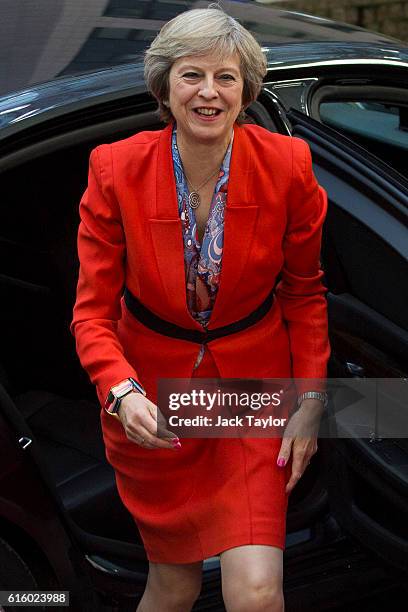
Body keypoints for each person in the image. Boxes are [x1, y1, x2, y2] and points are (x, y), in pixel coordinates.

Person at [71, 6, 330, 612]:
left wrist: (313, 400)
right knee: (174, 584)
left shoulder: (288, 167)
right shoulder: (115, 169)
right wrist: (122, 393)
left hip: (249, 395)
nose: (208, 92)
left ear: (246, 90)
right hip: (154, 402)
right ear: (165, 86)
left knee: (257, 590)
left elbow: (305, 293)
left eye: (226, 77)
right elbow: (92, 315)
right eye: (191, 75)